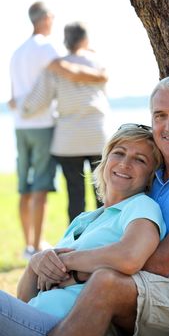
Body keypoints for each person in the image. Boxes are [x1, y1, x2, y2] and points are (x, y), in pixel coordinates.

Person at [47, 75, 169, 336]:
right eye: (160, 116)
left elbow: (162, 263)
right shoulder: (153, 176)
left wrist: (77, 271)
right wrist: (54, 261)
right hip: (149, 287)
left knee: (105, 284)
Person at [0, 125, 166, 336]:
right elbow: (26, 300)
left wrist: (66, 262)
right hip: (35, 319)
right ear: (105, 161)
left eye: (139, 159)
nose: (125, 163)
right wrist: (36, 263)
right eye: (119, 153)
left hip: (65, 325)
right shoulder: (84, 219)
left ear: (151, 176)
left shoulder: (141, 206)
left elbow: (130, 256)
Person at [21, 21, 110, 223]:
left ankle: (76, 241)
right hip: (97, 135)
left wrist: (21, 108)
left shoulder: (56, 66)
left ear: (65, 41)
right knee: (102, 192)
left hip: (68, 140)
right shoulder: (97, 62)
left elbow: (38, 101)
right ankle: (103, 238)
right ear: (85, 39)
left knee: (75, 194)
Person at [9, 1, 59, 258]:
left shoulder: (17, 52)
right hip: (42, 125)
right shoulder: (46, 47)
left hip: (20, 125)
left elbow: (13, 95)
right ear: (46, 18)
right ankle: (37, 245)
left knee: (24, 187)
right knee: (40, 185)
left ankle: (28, 244)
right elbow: (62, 73)